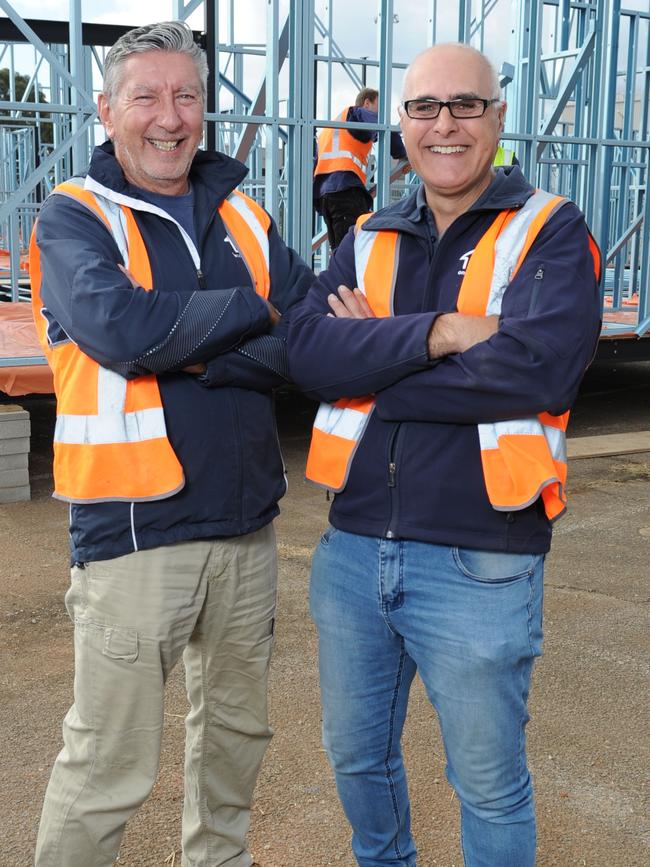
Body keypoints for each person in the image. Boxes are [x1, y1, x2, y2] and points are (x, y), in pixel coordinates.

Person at [289, 43, 601, 867]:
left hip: (480, 557)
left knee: (489, 784)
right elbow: (309, 356)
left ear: (497, 118)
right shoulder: (368, 231)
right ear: (401, 127)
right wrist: (441, 335)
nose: (445, 125)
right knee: (357, 760)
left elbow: (539, 366)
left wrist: (373, 360)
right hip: (354, 551)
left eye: (466, 105)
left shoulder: (548, 229)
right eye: (425, 108)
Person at [29, 21, 311, 867]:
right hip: (135, 533)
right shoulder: (77, 217)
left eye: (186, 95)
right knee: (108, 765)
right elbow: (123, 329)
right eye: (145, 96)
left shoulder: (244, 215)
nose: (170, 115)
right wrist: (252, 317)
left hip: (244, 530)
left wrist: (210, 354)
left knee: (234, 744)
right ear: (109, 112)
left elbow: (306, 338)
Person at [314, 86, 407, 250]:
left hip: (326, 196)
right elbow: (383, 128)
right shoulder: (356, 114)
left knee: (340, 251)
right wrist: (403, 155)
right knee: (352, 252)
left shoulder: (329, 128)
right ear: (367, 104)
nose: (378, 114)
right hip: (345, 189)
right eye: (377, 108)